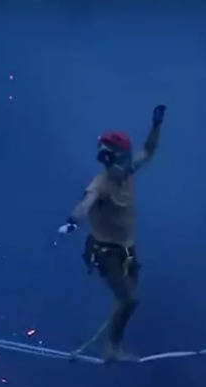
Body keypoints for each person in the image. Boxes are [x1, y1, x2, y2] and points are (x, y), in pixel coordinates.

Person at [58, 104, 166, 362]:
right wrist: (72, 222)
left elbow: (149, 150)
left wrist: (156, 126)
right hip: (106, 252)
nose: (126, 166)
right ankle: (111, 348)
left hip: (126, 249)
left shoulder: (128, 171)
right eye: (120, 161)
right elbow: (85, 203)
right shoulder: (100, 185)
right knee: (129, 300)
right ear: (108, 160)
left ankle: (103, 340)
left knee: (127, 298)